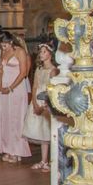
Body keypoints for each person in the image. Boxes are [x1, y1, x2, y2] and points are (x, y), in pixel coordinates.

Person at [22, 44, 58, 172]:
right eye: (40, 52)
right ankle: (43, 160)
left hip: (46, 102)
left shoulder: (53, 70)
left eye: (44, 52)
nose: (41, 54)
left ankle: (51, 161)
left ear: (50, 54)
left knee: (47, 130)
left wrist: (44, 106)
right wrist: (35, 103)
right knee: (40, 131)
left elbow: (52, 90)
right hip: (37, 99)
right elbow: (35, 86)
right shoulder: (39, 68)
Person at [0, 31, 31, 163]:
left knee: (16, 118)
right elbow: (0, 70)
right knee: (5, 118)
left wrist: (11, 87)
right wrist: (0, 85)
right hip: (5, 88)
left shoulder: (20, 52)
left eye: (5, 45)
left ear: (10, 42)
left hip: (16, 88)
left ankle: (17, 151)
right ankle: (7, 148)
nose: (3, 48)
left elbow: (23, 73)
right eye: (1, 45)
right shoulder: (3, 52)